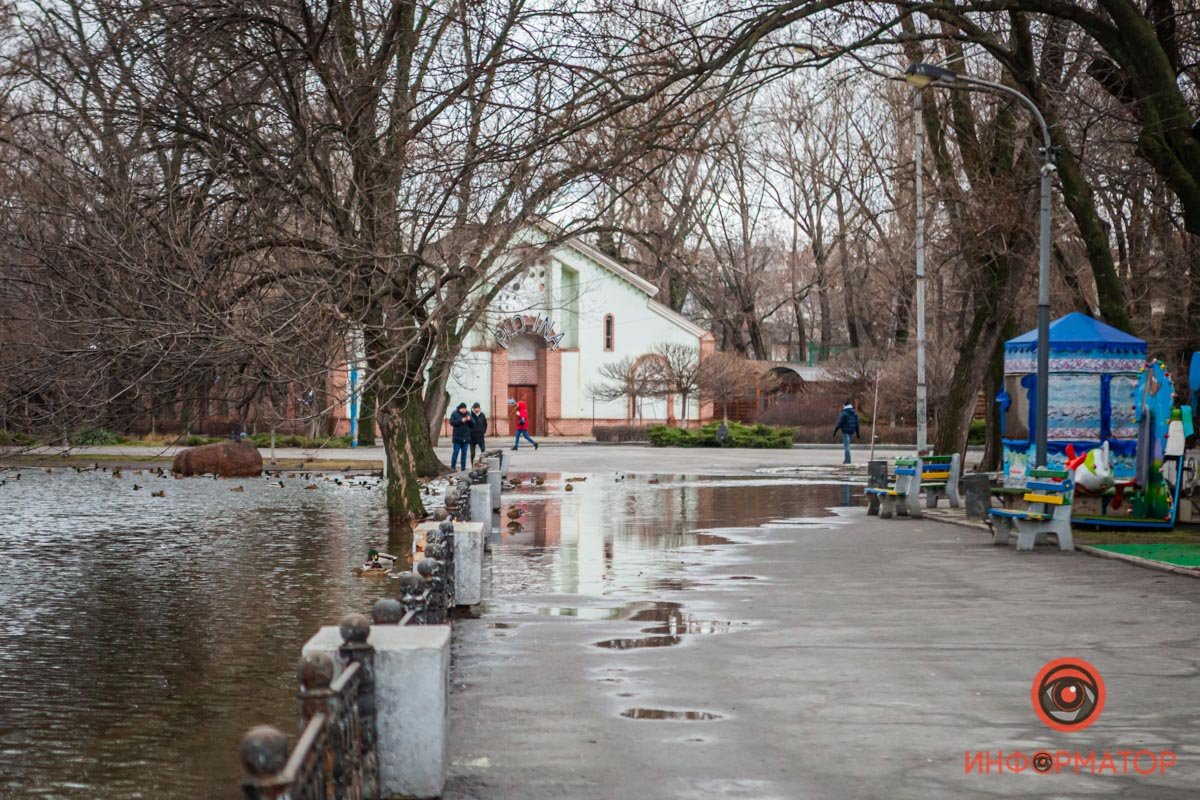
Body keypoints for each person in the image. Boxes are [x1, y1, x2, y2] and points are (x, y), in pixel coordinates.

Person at [833, 399, 860, 465]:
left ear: (845, 406)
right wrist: (857, 433)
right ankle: (846, 460)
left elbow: (840, 423)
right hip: (851, 431)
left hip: (845, 431)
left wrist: (835, 431)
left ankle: (847, 461)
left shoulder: (844, 413)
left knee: (846, 446)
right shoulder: (854, 413)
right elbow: (857, 424)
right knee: (848, 446)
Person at [449, 402, 473, 470]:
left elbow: (472, 425)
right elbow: (452, 422)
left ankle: (463, 468)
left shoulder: (468, 413)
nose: (464, 410)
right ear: (459, 408)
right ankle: (453, 467)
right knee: (455, 452)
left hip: (466, 437)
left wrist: (470, 420)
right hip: (457, 438)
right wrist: (461, 420)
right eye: (462, 408)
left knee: (464, 454)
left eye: (465, 408)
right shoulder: (454, 413)